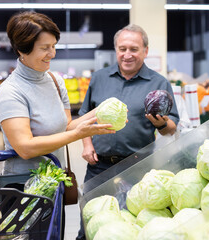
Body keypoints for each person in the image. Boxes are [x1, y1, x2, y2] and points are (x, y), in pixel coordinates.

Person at [0, 11, 115, 239]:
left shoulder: (55, 81)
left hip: (54, 182)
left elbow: (67, 126)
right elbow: (25, 147)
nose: (52, 53)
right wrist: (78, 134)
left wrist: (97, 115)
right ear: (22, 49)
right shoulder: (11, 92)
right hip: (23, 189)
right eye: (44, 48)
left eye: (53, 45)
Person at [76, 24, 179, 240]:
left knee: (132, 227)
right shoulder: (99, 78)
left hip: (138, 168)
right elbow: (84, 116)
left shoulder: (159, 83)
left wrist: (160, 124)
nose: (127, 55)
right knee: (90, 226)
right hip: (99, 168)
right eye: (122, 49)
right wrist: (87, 145)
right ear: (116, 49)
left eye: (134, 49)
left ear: (145, 51)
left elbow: (171, 130)